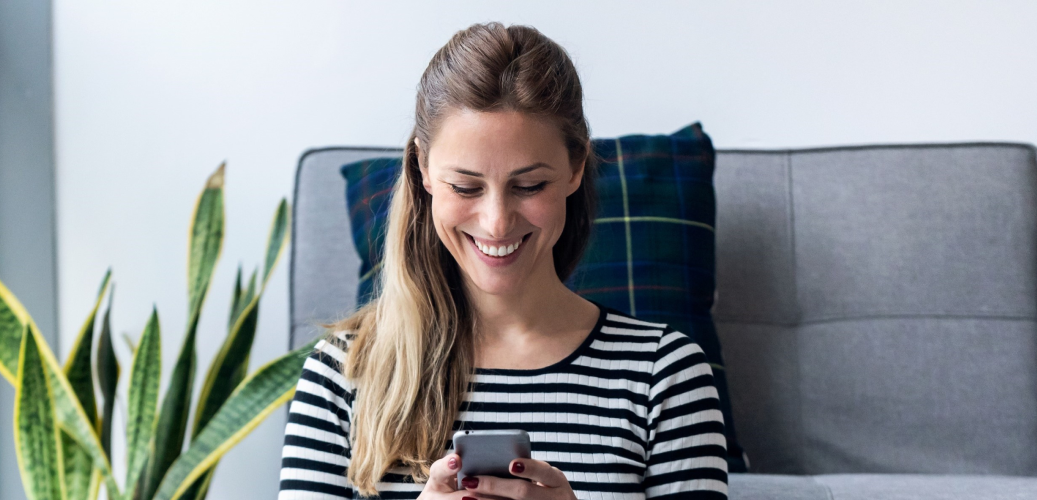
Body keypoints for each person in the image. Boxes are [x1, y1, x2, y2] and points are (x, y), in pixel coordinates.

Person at [278, 22, 728, 500]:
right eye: (465, 187)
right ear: (423, 170)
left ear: (576, 168)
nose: (496, 224)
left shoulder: (664, 373)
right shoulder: (345, 370)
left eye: (530, 186)